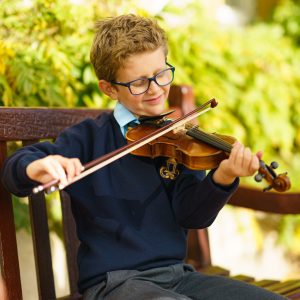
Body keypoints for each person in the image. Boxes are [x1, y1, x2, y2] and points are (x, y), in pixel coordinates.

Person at [1, 14, 286, 300]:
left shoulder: (178, 140)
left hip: (177, 277)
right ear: (109, 88)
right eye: (139, 83)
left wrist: (223, 177)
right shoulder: (89, 138)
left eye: (161, 74)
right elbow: (15, 170)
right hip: (113, 284)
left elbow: (192, 215)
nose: (156, 89)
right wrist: (36, 166)